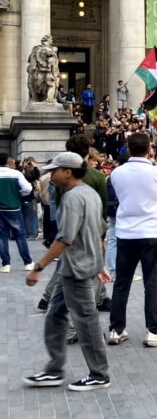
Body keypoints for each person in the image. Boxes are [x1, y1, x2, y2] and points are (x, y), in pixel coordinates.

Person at [23, 152, 111, 392]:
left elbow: (64, 238)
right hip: (75, 266)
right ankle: (54, 370)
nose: (51, 176)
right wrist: (99, 261)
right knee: (55, 315)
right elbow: (99, 231)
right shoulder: (90, 194)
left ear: (68, 172)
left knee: (86, 321)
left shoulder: (72, 198)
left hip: (77, 268)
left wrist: (38, 267)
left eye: (55, 171)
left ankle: (99, 374)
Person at [107, 132, 157, 347]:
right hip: (151, 232)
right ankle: (154, 331)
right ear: (150, 150)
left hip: (126, 232)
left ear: (128, 149)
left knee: (121, 283)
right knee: (152, 284)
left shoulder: (116, 173)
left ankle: (116, 329)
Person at [0, 156, 34, 272]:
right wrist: (18, 194)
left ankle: (6, 264)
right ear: (8, 162)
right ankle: (27, 262)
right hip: (13, 208)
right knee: (20, 235)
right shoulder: (16, 173)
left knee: (1, 237)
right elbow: (28, 189)